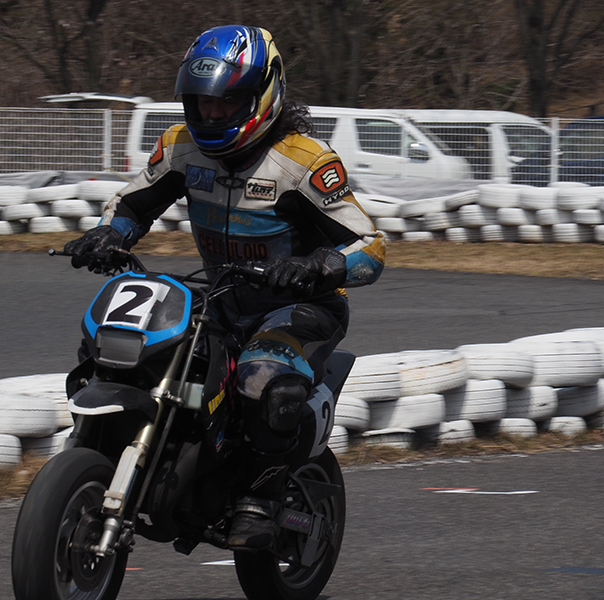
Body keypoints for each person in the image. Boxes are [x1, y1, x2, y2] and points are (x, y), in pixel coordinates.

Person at [64, 24, 385, 550]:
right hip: (219, 298)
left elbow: (370, 247)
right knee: (125, 345)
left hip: (298, 307)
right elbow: (133, 204)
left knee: (263, 378)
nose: (211, 114)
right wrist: (108, 234)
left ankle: (261, 497)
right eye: (202, 102)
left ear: (262, 95)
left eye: (226, 102)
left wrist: (319, 266)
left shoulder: (304, 162)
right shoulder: (181, 147)